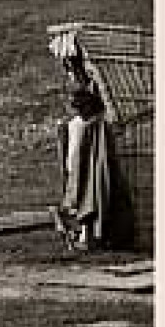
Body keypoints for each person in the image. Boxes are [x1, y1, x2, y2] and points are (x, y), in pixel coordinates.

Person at [56, 88, 135, 252]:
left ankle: (94, 237)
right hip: (82, 170)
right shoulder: (76, 125)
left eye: (82, 108)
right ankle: (85, 236)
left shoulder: (98, 126)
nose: (79, 112)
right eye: (77, 108)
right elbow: (75, 153)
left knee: (95, 200)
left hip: (95, 170)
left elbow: (102, 153)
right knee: (83, 200)